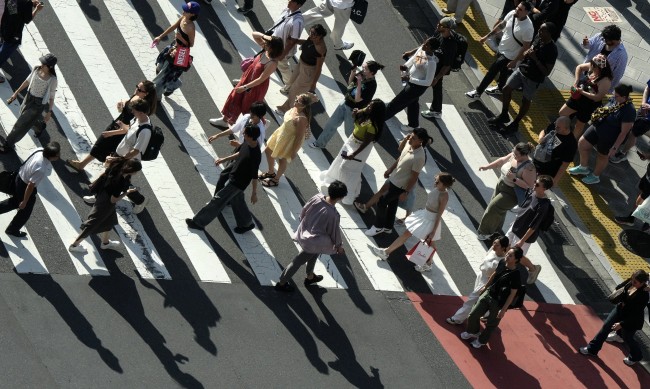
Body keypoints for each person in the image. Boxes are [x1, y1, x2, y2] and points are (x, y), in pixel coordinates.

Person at [369, 172, 455, 273]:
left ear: (444, 184)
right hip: (425, 215)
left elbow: (439, 215)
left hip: (430, 220)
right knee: (409, 234)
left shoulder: (444, 196)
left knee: (430, 243)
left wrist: (433, 231)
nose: (435, 182)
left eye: (437, 181)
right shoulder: (437, 189)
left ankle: (428, 263)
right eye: (435, 180)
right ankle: (386, 252)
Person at [66, 80, 157, 172]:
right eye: (137, 87)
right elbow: (126, 106)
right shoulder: (136, 97)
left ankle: (84, 166)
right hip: (116, 125)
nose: (136, 90)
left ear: (146, 94)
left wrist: (112, 133)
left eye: (140, 90)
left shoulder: (141, 107)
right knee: (101, 147)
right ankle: (83, 165)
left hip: (120, 132)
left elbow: (130, 127)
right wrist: (121, 105)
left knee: (102, 148)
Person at [81, 98, 152, 213]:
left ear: (142, 112)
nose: (132, 113)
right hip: (120, 155)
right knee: (112, 177)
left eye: (134, 111)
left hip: (127, 160)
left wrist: (118, 159)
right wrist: (120, 128)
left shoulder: (145, 131)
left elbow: (135, 151)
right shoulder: (138, 119)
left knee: (116, 180)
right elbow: (129, 130)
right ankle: (98, 195)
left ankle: (140, 200)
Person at [186, 124, 261, 233]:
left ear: (250, 136)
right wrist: (224, 159)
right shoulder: (248, 143)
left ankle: (198, 222)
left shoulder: (256, 155)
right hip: (234, 177)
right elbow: (240, 154)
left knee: (217, 201)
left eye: (245, 133)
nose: (243, 134)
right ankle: (246, 224)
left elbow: (254, 176)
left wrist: (254, 193)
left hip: (237, 183)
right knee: (237, 200)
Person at [274, 181, 347, 292]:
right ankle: (282, 283)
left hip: (305, 232)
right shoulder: (333, 215)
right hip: (313, 241)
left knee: (314, 254)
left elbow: (304, 211)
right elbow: (334, 233)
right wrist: (339, 247)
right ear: (340, 197)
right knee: (297, 262)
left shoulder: (317, 198)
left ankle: (310, 276)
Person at [361, 128, 431, 237]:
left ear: (420, 141)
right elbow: (400, 153)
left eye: (414, 138)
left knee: (382, 202)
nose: (411, 138)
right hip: (394, 178)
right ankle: (388, 227)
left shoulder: (420, 157)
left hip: (400, 185)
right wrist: (390, 169)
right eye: (411, 136)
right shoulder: (410, 144)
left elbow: (414, 177)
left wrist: (406, 192)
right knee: (392, 204)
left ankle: (378, 227)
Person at [489, 22, 558, 134]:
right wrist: (525, 54)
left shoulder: (552, 51)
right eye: (539, 29)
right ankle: (504, 114)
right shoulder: (538, 38)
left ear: (550, 34)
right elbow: (531, 48)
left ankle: (516, 123)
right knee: (506, 89)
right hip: (522, 70)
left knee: (525, 100)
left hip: (533, 79)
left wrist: (535, 58)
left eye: (542, 30)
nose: (539, 32)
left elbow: (547, 72)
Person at [68, 159, 143, 254]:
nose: (136, 173)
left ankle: (105, 242)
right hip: (106, 202)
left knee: (109, 220)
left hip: (102, 193)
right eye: (136, 171)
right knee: (92, 223)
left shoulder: (117, 166)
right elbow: (113, 200)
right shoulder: (120, 182)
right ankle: (74, 245)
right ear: (132, 171)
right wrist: (127, 192)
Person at [209, 33, 283, 127]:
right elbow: (254, 34)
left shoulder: (272, 63)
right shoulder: (265, 50)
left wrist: (245, 87)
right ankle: (225, 120)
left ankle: (262, 123)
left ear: (273, 48)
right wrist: (267, 37)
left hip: (255, 87)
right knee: (234, 98)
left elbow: (261, 79)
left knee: (248, 108)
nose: (265, 43)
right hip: (246, 79)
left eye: (268, 43)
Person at [320, 99, 386, 205]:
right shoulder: (366, 112)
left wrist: (354, 154)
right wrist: (355, 113)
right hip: (351, 141)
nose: (368, 107)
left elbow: (365, 143)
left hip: (359, 148)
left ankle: (347, 194)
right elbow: (355, 117)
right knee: (339, 159)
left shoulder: (372, 127)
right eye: (369, 104)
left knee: (346, 168)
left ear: (375, 112)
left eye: (371, 107)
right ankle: (334, 180)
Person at [568, 84, 635, 185]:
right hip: (597, 127)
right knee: (582, 143)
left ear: (624, 97)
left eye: (616, 95)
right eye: (614, 94)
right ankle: (583, 167)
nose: (613, 96)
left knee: (602, 156)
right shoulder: (616, 100)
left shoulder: (629, 111)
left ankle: (595, 176)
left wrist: (615, 148)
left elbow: (623, 132)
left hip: (609, 138)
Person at [580, 270, 650, 366]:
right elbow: (621, 286)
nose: (632, 283)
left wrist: (621, 324)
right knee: (606, 327)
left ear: (642, 283)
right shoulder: (632, 281)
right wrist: (616, 291)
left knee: (628, 338)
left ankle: (636, 356)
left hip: (630, 319)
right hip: (620, 310)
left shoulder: (643, 296)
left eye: (635, 282)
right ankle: (592, 349)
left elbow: (635, 314)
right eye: (632, 279)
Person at [465, 1, 533, 100]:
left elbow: (526, 47)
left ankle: (478, 92)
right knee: (503, 71)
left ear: (527, 13)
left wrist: (515, 61)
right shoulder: (512, 13)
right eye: (517, 7)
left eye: (520, 9)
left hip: (510, 55)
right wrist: (486, 37)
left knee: (492, 71)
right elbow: (501, 26)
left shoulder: (528, 28)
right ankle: (500, 88)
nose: (517, 10)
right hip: (501, 48)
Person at [309, 60, 383, 149]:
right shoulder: (362, 75)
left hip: (353, 111)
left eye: (365, 68)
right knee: (331, 124)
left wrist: (359, 82)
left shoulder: (372, 85)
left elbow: (358, 99)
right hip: (345, 103)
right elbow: (350, 84)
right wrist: (353, 72)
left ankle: (353, 150)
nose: (362, 69)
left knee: (349, 133)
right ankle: (320, 143)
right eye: (363, 67)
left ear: (372, 72)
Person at [461, 247, 523, 349]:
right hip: (489, 293)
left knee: (491, 324)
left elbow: (512, 294)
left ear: (516, 260)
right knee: (473, 314)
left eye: (510, 255)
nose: (507, 256)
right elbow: (494, 274)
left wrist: (503, 310)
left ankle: (481, 341)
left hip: (499, 302)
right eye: (508, 253)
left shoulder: (516, 275)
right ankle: (473, 331)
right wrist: (485, 287)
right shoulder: (502, 262)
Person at [476, 142, 536, 241]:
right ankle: (496, 229)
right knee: (499, 210)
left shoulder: (529, 167)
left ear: (524, 155)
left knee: (493, 208)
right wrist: (487, 167)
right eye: (513, 152)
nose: (514, 155)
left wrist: (514, 179)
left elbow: (529, 186)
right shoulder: (513, 156)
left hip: (512, 193)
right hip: (501, 184)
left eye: (516, 154)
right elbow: (501, 161)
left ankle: (485, 232)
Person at [0, 142, 60, 237]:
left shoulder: (39, 150)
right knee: (25, 211)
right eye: (58, 155)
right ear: (52, 157)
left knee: (15, 202)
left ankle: (12, 229)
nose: (58, 156)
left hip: (19, 176)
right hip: (24, 185)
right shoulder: (41, 169)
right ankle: (12, 230)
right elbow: (30, 186)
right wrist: (24, 201)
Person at [0, 53, 57, 153]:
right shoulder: (36, 69)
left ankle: (8, 144)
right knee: (26, 118)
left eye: (44, 64)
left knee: (20, 123)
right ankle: (39, 127)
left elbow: (52, 97)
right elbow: (27, 81)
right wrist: (16, 93)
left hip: (38, 104)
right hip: (28, 98)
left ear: (50, 67)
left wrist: (49, 112)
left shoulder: (52, 79)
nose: (42, 65)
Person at [446, 236, 510, 325]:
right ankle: (487, 313)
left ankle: (457, 318)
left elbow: (496, 276)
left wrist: (486, 286)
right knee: (478, 299)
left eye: (497, 244)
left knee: (471, 299)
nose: (494, 245)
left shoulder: (502, 262)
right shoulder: (493, 250)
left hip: (487, 281)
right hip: (481, 275)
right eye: (494, 242)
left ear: (503, 248)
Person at [258, 93, 316, 187]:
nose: (295, 100)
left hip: (289, 141)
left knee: (282, 159)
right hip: (281, 134)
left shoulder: (301, 119)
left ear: (303, 105)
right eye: (296, 98)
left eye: (298, 101)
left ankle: (276, 179)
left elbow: (299, 137)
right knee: (268, 151)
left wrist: (293, 152)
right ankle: (271, 172)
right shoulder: (294, 108)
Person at [504, 174, 554, 284]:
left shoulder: (543, 206)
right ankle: (503, 267)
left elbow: (533, 226)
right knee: (506, 247)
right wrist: (515, 222)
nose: (534, 185)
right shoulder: (533, 192)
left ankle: (533, 269)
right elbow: (524, 209)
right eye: (535, 182)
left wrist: (521, 241)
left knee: (518, 257)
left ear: (544, 189)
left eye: (537, 184)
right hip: (516, 227)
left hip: (524, 236)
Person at [384, 38, 439, 131]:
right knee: (413, 103)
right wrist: (406, 66)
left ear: (432, 49)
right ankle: (413, 125)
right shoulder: (422, 49)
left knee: (397, 102)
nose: (424, 44)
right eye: (425, 42)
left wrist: (410, 79)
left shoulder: (432, 63)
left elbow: (428, 82)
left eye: (427, 44)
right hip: (411, 81)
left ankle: (382, 116)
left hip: (417, 88)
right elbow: (414, 58)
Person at [151, 1, 199, 98]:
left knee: (163, 76)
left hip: (180, 52)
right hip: (173, 46)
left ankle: (157, 97)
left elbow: (191, 44)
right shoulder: (183, 18)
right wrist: (160, 37)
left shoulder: (191, 28)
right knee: (159, 66)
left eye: (186, 10)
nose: (183, 11)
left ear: (192, 14)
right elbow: (173, 27)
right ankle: (174, 84)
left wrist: (181, 39)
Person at [275, 24, 327, 115]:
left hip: (308, 71)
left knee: (295, 89)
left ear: (320, 36)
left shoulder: (321, 48)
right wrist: (296, 41)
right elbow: (306, 42)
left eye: (313, 33)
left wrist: (313, 83)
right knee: (291, 81)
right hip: (301, 63)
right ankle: (292, 100)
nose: (310, 34)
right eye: (310, 31)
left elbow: (319, 68)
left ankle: (287, 109)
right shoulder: (312, 38)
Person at [558, 54, 612, 139]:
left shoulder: (605, 80)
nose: (591, 68)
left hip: (589, 105)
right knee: (562, 112)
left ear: (600, 68)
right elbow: (579, 67)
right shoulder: (593, 65)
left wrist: (582, 92)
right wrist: (576, 82)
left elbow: (598, 97)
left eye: (594, 67)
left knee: (580, 124)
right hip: (577, 98)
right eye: (592, 65)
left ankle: (572, 141)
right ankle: (565, 130)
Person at [421, 17, 458, 119]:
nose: (438, 26)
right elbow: (428, 44)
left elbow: (447, 65)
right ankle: (436, 110)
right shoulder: (438, 33)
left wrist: (437, 78)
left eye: (440, 25)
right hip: (431, 63)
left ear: (447, 29)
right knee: (435, 88)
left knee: (436, 87)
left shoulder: (451, 45)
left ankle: (436, 110)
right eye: (438, 23)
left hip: (438, 69)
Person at [0, 0, 44, 83]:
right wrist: (37, 9)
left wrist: (30, 3)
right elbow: (27, 19)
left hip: (5, 27)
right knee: (4, 53)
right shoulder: (26, 3)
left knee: (2, 45)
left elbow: (13, 11)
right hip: (14, 34)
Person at [610, 78, 650, 163]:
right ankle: (622, 142)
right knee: (630, 128)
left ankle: (623, 153)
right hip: (643, 110)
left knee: (633, 134)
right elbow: (647, 88)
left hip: (648, 119)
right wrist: (643, 103)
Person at [271, 0, 306, 92]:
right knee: (262, 60)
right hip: (272, 43)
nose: (289, 1)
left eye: (293, 1)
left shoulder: (298, 21)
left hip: (282, 49)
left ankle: (290, 86)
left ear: (299, 4)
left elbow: (293, 41)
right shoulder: (286, 10)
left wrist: (282, 54)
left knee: (283, 67)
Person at [532, 116, 577, 186]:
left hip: (547, 170)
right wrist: (541, 138)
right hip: (536, 160)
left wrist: (555, 181)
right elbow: (543, 131)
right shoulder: (555, 126)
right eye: (556, 125)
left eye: (558, 127)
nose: (555, 128)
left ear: (566, 128)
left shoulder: (571, 144)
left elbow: (564, 165)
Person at [582, 24, 627, 93]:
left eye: (606, 40)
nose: (603, 40)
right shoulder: (600, 36)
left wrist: (608, 91)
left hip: (598, 84)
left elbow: (617, 75)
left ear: (614, 40)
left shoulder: (622, 55)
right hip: (586, 74)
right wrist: (586, 43)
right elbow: (590, 44)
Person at [614, 161, 650, 233]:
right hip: (647, 177)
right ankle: (632, 219)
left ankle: (646, 222)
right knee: (640, 194)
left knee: (639, 201)